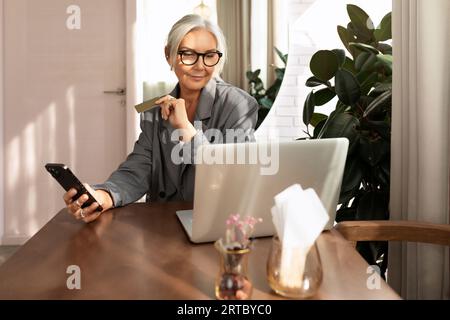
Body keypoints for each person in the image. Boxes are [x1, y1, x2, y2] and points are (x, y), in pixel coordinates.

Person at [63, 14, 259, 223]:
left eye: (209, 55)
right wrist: (104, 195)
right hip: (162, 224)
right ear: (169, 55)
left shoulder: (238, 105)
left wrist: (186, 129)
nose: (200, 66)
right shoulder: (153, 110)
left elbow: (235, 177)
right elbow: (138, 169)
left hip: (214, 223)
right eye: (188, 54)